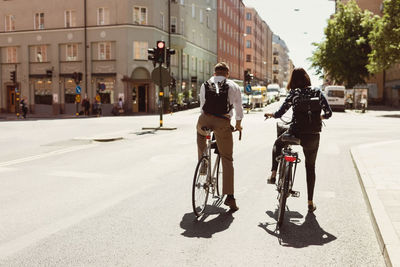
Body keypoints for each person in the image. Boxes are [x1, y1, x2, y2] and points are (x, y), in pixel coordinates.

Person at [264, 68, 332, 213]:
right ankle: (310, 202)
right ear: (307, 78)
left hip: (296, 132)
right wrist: (318, 118)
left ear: (293, 80)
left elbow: (281, 112)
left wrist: (272, 114)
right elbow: (328, 113)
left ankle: (274, 173)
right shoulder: (317, 92)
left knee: (278, 143)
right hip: (313, 134)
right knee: (310, 167)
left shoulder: (294, 93)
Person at [196, 62, 243, 212]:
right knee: (227, 158)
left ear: (214, 73)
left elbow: (202, 105)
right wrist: (238, 125)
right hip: (223, 122)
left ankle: (203, 163)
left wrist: (206, 122)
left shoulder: (205, 84)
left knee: (200, 134)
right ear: (227, 73)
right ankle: (230, 197)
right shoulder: (233, 86)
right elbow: (238, 108)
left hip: (205, 119)